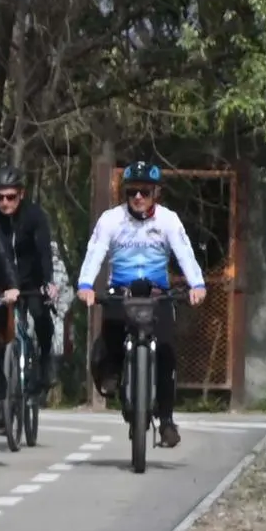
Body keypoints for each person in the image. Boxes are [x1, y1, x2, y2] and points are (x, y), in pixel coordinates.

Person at [77, 160, 208, 447]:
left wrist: (197, 284)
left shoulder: (168, 221)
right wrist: (85, 285)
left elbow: (184, 253)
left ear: (156, 193)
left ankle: (167, 421)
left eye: (145, 192)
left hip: (156, 293)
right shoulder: (111, 220)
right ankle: (111, 372)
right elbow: (95, 251)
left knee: (166, 352)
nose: (138, 197)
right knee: (110, 327)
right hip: (121, 290)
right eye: (132, 191)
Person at [0, 170, 64, 402]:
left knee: (41, 315)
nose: (5, 203)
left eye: (10, 197)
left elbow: (44, 253)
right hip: (2, 284)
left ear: (21, 194)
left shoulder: (35, 215)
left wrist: (48, 282)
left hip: (32, 281)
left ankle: (45, 359)